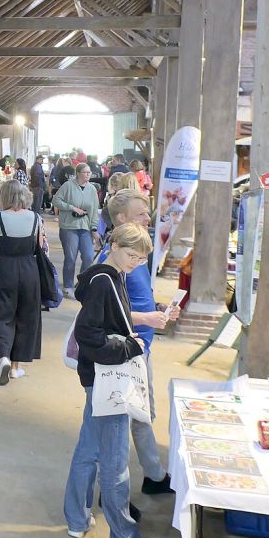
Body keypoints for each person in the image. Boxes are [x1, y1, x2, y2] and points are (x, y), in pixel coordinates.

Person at [64, 223, 153, 538]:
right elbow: (88, 333)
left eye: (142, 259)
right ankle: (124, 536)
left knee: (88, 449)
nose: (135, 263)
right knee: (115, 463)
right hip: (108, 378)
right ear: (114, 246)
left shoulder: (105, 275)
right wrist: (130, 346)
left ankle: (76, 518)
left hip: (97, 377)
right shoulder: (105, 281)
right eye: (132, 255)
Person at [101, 190, 177, 495]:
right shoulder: (116, 259)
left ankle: (153, 475)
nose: (149, 218)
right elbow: (108, 309)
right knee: (119, 421)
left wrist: (157, 309)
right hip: (125, 348)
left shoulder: (136, 254)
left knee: (143, 414)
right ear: (121, 219)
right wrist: (146, 319)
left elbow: (137, 296)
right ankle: (114, 493)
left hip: (140, 346)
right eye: (141, 213)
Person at [0, 180, 43, 385]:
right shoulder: (35, 218)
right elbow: (40, 246)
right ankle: (16, 367)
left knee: (1, 314)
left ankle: (3, 357)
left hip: (5, 270)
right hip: (29, 271)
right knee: (26, 316)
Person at [53, 163, 100, 299]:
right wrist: (71, 208)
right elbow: (56, 201)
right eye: (85, 172)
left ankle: (82, 283)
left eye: (89, 172)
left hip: (85, 226)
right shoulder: (68, 186)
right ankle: (68, 285)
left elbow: (94, 210)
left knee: (88, 256)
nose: (88, 175)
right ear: (78, 173)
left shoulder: (92, 190)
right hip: (69, 226)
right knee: (71, 257)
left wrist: (94, 228)